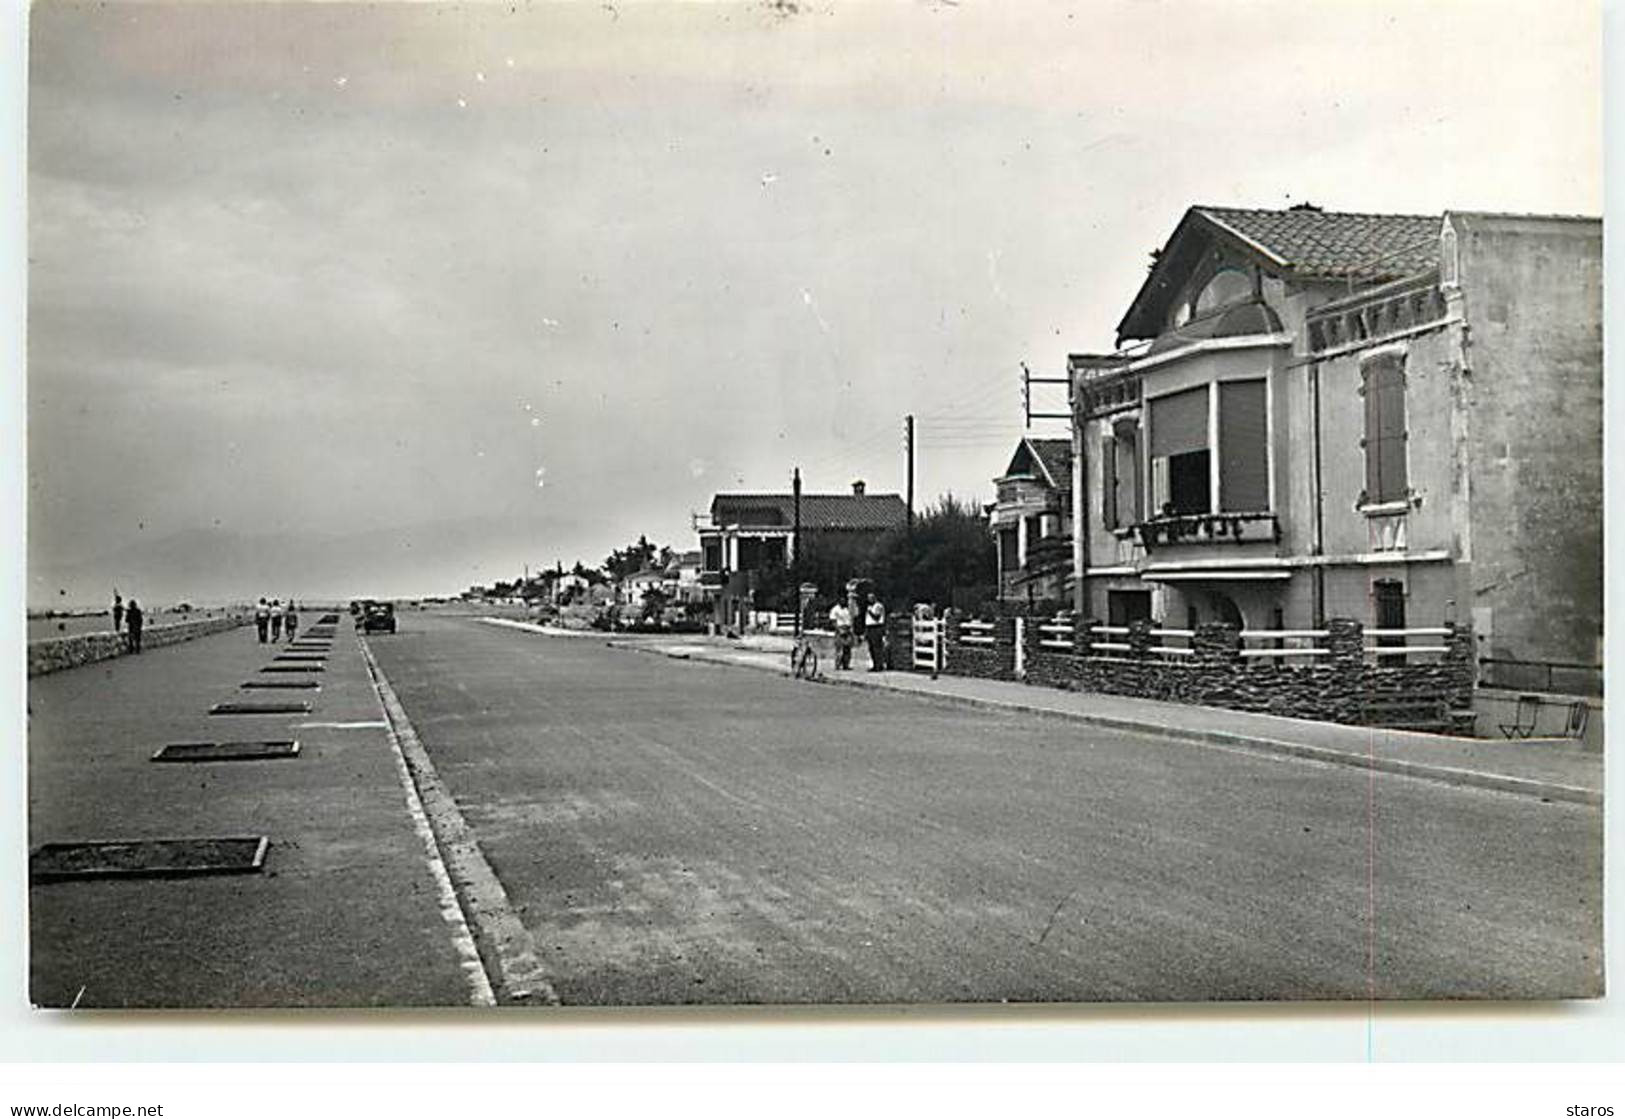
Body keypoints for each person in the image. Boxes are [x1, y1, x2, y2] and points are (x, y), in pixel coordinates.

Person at [828, 599, 854, 670]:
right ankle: (838, 664)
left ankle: (846, 665)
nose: (843, 602)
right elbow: (833, 621)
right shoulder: (835, 609)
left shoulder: (846, 609)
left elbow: (850, 619)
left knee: (847, 648)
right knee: (839, 648)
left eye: (844, 600)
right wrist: (839, 630)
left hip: (847, 628)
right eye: (842, 600)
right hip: (840, 628)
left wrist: (850, 629)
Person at [866, 597, 888, 671]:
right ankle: (875, 664)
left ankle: (878, 665)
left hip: (876, 627)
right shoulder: (870, 606)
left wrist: (869, 611)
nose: (869, 599)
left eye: (871, 598)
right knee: (871, 647)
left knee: (877, 647)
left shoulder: (878, 606)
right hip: (869, 627)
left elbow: (877, 617)